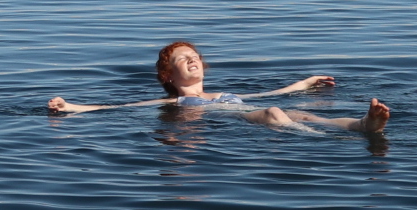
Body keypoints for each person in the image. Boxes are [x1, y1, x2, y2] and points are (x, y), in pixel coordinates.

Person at [47, 39, 390, 137]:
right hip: (242, 121)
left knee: (291, 110)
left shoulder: (220, 93)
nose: (192, 60)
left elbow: (270, 94)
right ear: (168, 75)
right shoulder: (175, 101)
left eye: (195, 56)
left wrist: (305, 83)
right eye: (183, 59)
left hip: (254, 110)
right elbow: (116, 109)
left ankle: (362, 125)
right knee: (274, 114)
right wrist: (71, 107)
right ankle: (322, 141)